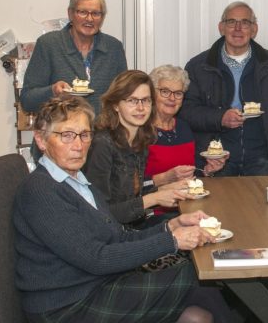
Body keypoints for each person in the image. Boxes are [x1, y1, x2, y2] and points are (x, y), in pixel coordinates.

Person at [13, 95, 233, 322]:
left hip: (96, 285)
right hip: (66, 306)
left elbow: (118, 237)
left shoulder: (78, 181)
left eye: (85, 134)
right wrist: (173, 240)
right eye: (66, 135)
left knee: (198, 315)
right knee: (195, 276)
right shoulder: (40, 190)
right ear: (41, 140)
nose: (78, 146)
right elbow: (96, 258)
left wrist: (170, 226)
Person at [180, 1, 268, 176]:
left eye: (245, 23)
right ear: (221, 27)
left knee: (261, 204)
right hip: (216, 161)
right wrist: (220, 117)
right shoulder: (198, 66)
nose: (238, 28)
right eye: (231, 22)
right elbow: (186, 112)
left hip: (262, 158)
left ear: (254, 29)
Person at [84, 70, 192, 226]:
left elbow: (131, 196)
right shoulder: (101, 144)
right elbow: (100, 215)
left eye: (146, 100)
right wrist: (154, 198)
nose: (141, 108)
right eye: (132, 101)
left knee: (194, 222)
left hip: (132, 225)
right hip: (112, 236)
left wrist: (165, 189)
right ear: (115, 105)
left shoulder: (140, 138)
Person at [21, 0, 127, 115]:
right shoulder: (48, 44)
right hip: (60, 132)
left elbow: (124, 96)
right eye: (82, 12)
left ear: (102, 17)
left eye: (95, 13)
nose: (89, 19)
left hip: (103, 133)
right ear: (70, 14)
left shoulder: (114, 48)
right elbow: (27, 101)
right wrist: (53, 91)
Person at [146, 65, 227, 187]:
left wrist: (207, 170)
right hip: (152, 204)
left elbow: (193, 173)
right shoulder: (140, 130)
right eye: (165, 92)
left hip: (187, 203)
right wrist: (164, 178)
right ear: (152, 93)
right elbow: (130, 188)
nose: (172, 98)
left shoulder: (184, 128)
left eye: (178, 93)